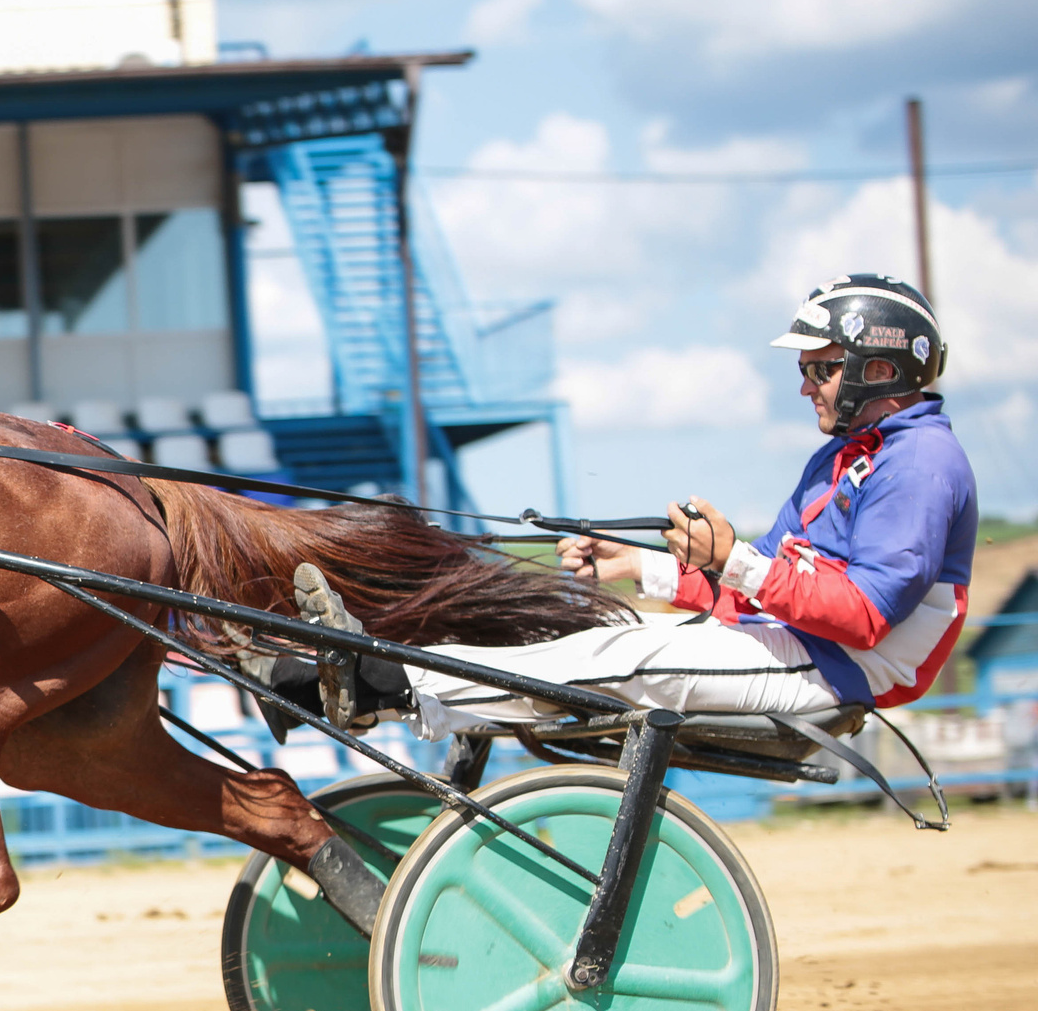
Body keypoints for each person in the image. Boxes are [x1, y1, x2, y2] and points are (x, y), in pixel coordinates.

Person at [277, 274, 976, 736]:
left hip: (845, 667)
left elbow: (861, 616)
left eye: (819, 368)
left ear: (878, 369)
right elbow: (762, 599)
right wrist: (639, 568)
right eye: (804, 369)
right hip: (805, 646)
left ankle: (381, 684)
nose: (805, 387)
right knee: (580, 645)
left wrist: (734, 558)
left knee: (628, 656)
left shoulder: (920, 463)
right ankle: (348, 679)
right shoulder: (843, 457)